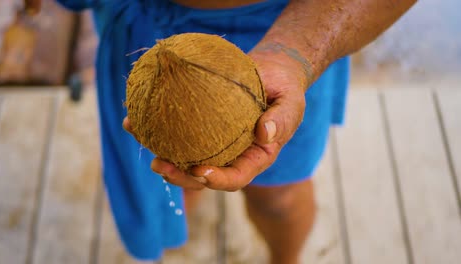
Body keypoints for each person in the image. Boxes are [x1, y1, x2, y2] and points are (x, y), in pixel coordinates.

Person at [26, 0, 415, 263]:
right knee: (172, 178)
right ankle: (182, 223)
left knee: (278, 195)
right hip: (140, 26)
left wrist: (295, 53)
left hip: (287, 23)